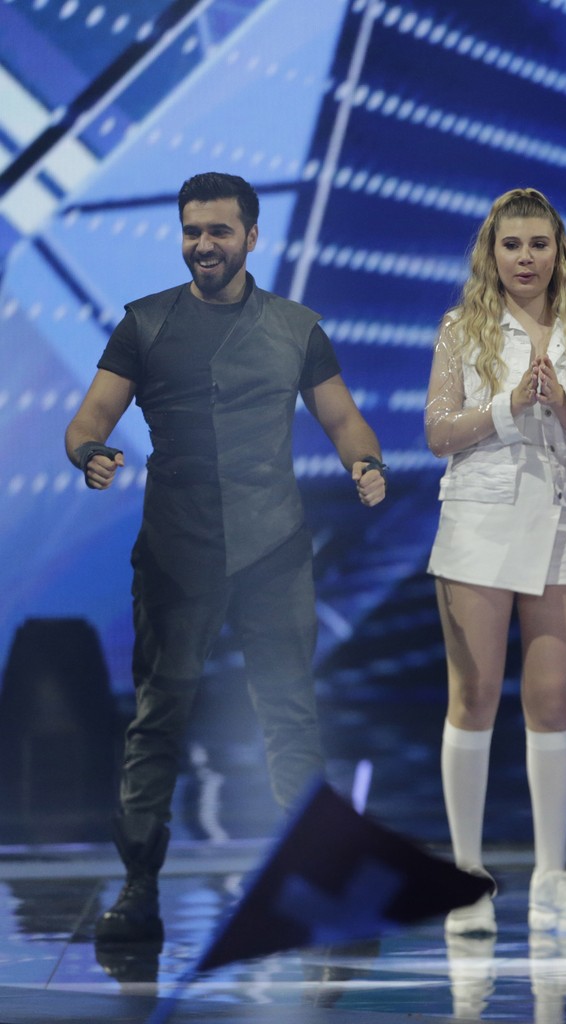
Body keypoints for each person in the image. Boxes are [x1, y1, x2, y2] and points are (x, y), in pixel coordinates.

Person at [64, 172, 388, 945]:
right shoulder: (143, 324)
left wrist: (365, 464)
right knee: (157, 720)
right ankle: (138, 891)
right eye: (192, 231)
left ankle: (323, 885)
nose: (203, 244)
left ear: (250, 237)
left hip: (273, 547)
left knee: (289, 718)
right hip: (178, 553)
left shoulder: (296, 326)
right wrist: (90, 453)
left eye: (218, 231)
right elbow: (90, 417)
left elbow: (342, 416)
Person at [424, 188, 566, 937]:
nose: (526, 258)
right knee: (473, 696)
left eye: (539, 244)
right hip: (478, 519)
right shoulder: (461, 327)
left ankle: (550, 874)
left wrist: (565, 405)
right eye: (513, 245)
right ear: (492, 252)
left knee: (552, 701)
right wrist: (509, 406)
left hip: (564, 521)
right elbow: (440, 432)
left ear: (558, 251)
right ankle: (467, 876)